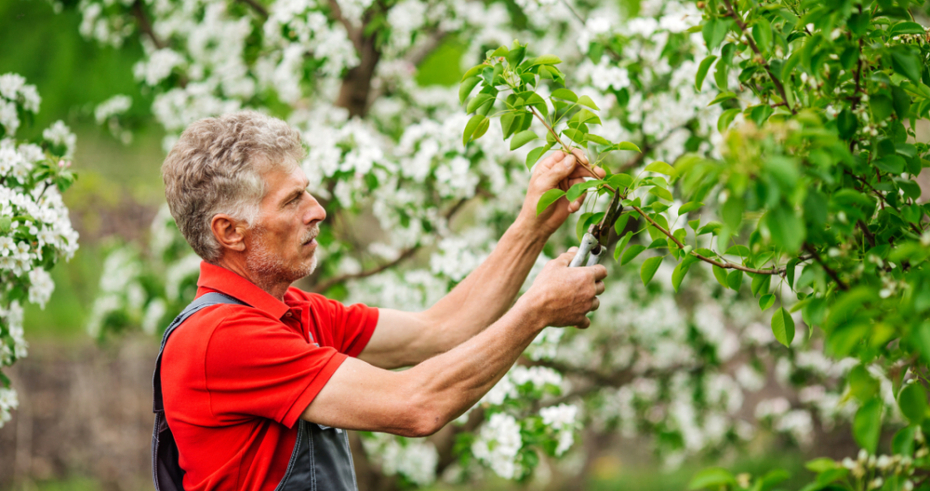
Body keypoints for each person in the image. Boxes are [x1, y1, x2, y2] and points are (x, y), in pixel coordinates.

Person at [155, 110, 607, 491]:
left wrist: (532, 226)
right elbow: (417, 405)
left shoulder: (295, 313)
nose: (317, 210)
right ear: (229, 231)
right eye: (292, 201)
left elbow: (441, 331)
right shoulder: (222, 338)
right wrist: (536, 311)